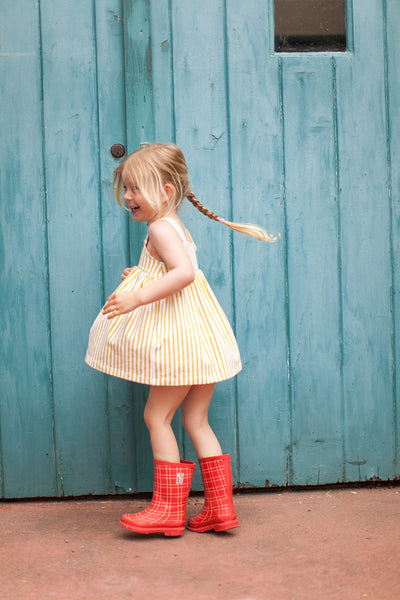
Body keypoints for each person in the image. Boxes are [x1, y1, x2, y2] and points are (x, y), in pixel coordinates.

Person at [85, 143, 278, 536]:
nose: (128, 197)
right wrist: (139, 275)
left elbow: (183, 274)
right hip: (201, 339)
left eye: (136, 188)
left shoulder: (159, 227)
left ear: (167, 191)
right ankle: (220, 508)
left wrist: (137, 296)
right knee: (196, 419)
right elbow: (171, 269)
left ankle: (168, 510)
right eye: (126, 188)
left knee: (157, 416)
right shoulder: (174, 225)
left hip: (180, 345)